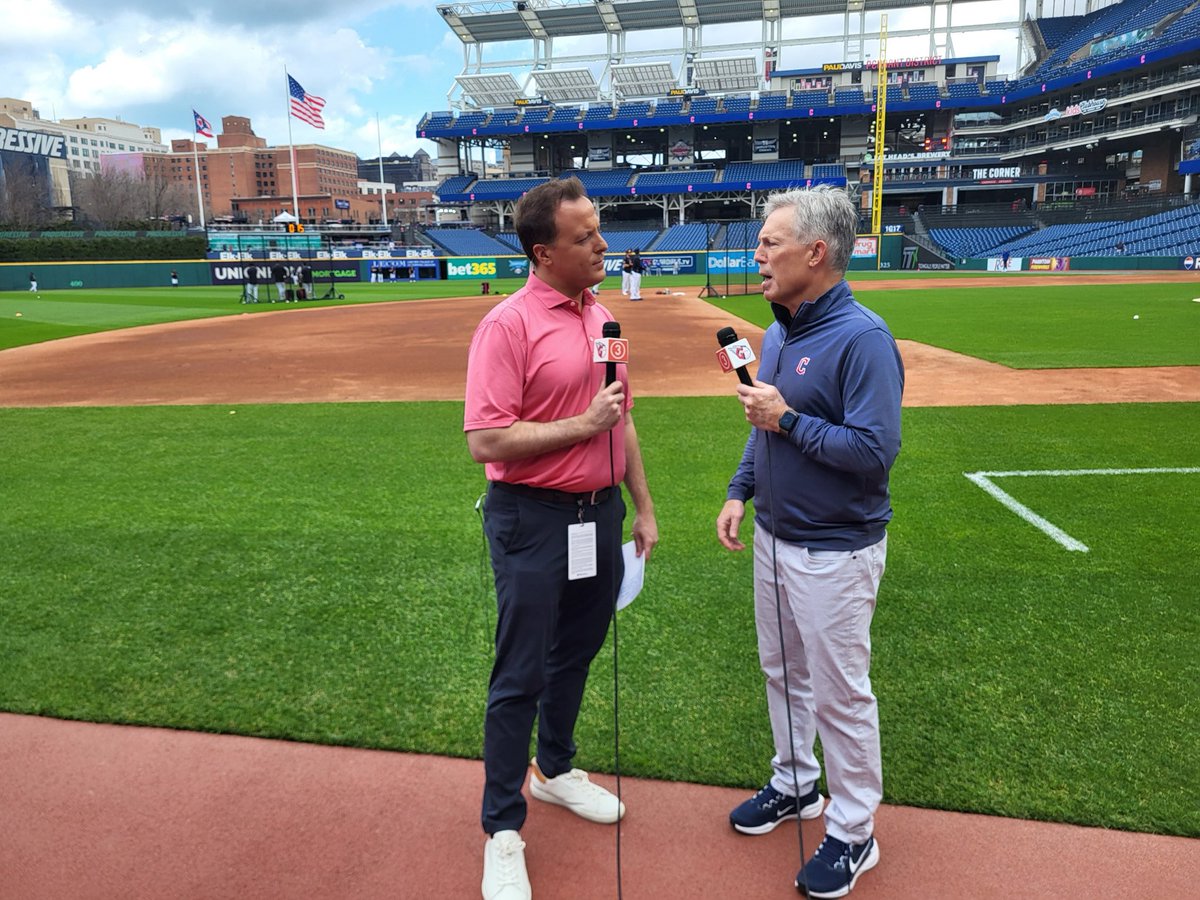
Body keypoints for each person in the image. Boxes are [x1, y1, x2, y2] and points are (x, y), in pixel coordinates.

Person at [464, 176, 658, 900]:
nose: (603, 244)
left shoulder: (604, 316)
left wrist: (642, 507)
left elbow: (622, 417)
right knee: (520, 673)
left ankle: (555, 768)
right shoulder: (507, 326)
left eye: (599, 230)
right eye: (585, 237)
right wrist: (583, 426)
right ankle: (502, 829)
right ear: (544, 252)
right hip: (532, 518)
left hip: (598, 516)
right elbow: (487, 440)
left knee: (575, 651)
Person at [716, 185, 903, 899]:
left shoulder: (863, 339)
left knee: (840, 693)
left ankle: (854, 831)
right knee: (783, 672)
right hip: (774, 535)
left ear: (816, 252)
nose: (759, 255)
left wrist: (789, 420)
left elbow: (874, 452)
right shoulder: (782, 330)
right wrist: (740, 490)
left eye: (771, 243)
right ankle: (795, 784)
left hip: (834, 549)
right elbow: (760, 423)